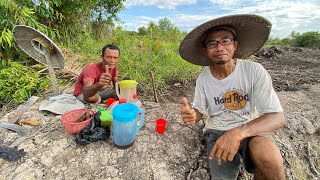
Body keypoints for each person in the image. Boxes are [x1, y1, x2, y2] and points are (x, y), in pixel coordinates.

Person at [179, 14, 285, 179]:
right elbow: (199, 110)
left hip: (250, 128)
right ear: (205, 51)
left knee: (271, 161)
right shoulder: (203, 78)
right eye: (212, 43)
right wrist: (193, 115)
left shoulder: (253, 71)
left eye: (225, 40)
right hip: (217, 131)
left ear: (235, 45)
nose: (220, 47)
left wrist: (238, 133)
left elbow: (277, 117)